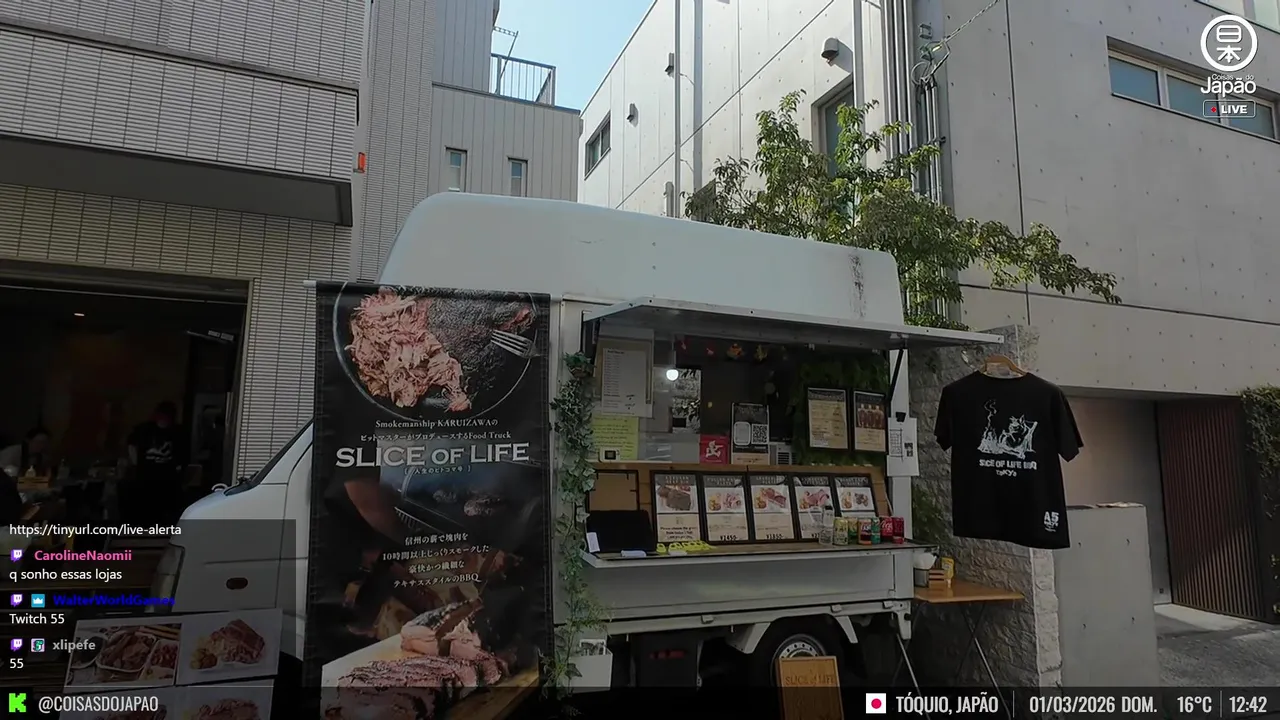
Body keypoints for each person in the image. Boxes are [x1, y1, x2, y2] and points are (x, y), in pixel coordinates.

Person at [125, 402, 187, 526]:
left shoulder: (177, 431)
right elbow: (131, 443)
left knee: (167, 509)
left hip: (168, 478)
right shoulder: (145, 429)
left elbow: (182, 452)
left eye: (167, 416)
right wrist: (135, 462)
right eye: (163, 415)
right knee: (148, 508)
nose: (165, 419)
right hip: (147, 476)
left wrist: (179, 468)